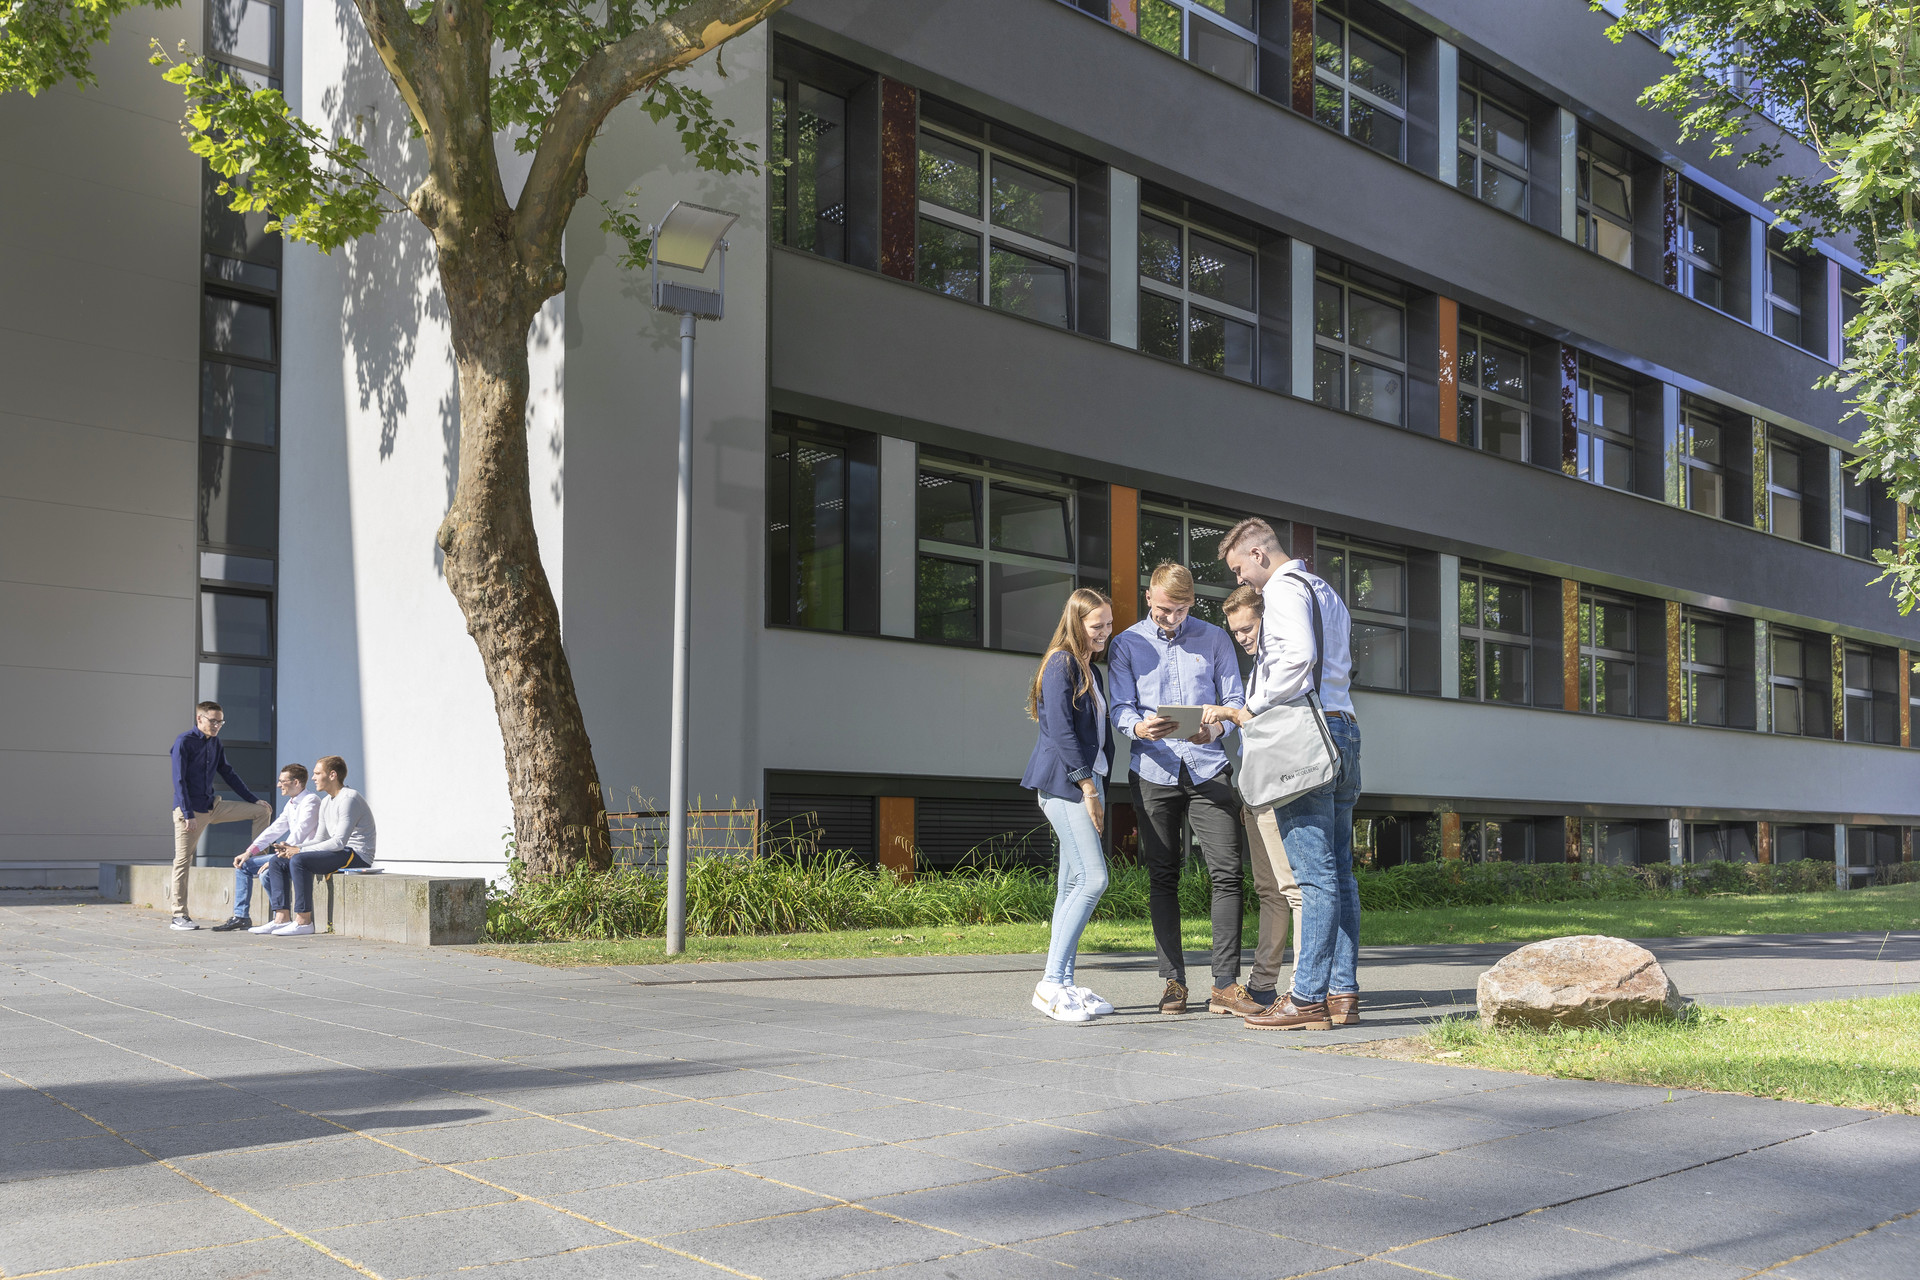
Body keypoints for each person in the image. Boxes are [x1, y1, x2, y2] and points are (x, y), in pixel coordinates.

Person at [1202, 519, 1361, 1031]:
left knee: (1313, 876)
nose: (1243, 580)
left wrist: (1250, 707)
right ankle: (1341, 993)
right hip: (1343, 726)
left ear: (1258, 553)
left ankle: (1307, 997)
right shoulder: (1324, 589)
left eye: (1240, 569)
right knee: (1338, 873)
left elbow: (1297, 659)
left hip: (1302, 734)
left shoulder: (1285, 590)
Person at [1108, 562, 1259, 1017]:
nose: (1167, 619)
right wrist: (1139, 726)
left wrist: (1213, 732)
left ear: (1191, 603)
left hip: (1208, 768)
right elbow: (1120, 706)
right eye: (1160, 610)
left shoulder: (1214, 638)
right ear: (1148, 597)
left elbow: (1235, 703)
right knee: (1162, 875)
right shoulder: (1126, 643)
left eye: (1177, 611)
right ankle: (1173, 981)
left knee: (1227, 873)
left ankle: (1225, 985)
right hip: (1153, 770)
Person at [1019, 588, 1116, 1023]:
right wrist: (1088, 788)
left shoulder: (1088, 669)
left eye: (1109, 624)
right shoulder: (1061, 662)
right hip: (1065, 786)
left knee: (1071, 885)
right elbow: (1060, 729)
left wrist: (1096, 784)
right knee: (1094, 879)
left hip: (1083, 783)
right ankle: (1050, 985)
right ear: (1076, 623)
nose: (1105, 632)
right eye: (1097, 626)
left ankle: (1064, 983)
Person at [1214, 585, 1305, 1009]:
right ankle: (1264, 983)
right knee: (1269, 889)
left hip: (1278, 786)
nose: (1242, 638)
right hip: (1253, 786)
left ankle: (1305, 988)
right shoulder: (1257, 667)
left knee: (1294, 889)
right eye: (1235, 632)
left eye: (1247, 628)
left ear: (1267, 618)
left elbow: (1272, 723)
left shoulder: (1284, 662)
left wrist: (1230, 713)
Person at [168, 701, 272, 931]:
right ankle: (178, 915)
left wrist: (253, 799)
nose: (216, 726)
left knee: (262, 810)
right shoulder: (184, 742)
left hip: (212, 806)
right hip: (189, 812)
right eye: (213, 721)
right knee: (183, 861)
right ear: (199, 719)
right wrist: (187, 814)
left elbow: (229, 774)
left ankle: (259, 863)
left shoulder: (215, 743)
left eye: (220, 722)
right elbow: (179, 781)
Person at [255, 755, 377, 937]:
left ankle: (304, 921)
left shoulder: (349, 798)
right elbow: (320, 838)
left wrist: (300, 850)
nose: (313, 778)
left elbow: (338, 842)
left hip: (357, 855)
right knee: (277, 861)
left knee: (299, 860)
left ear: (332, 775)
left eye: (317, 773)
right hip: (340, 852)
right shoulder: (327, 801)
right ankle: (281, 919)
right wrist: (291, 847)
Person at [209, 764, 321, 932]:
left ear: (296, 782)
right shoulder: (291, 804)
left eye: (282, 781)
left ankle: (282, 918)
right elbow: (274, 830)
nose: (278, 785)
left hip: (303, 855)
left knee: (266, 874)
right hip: (287, 854)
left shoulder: (311, 801)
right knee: (244, 865)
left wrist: (276, 857)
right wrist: (249, 852)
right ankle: (241, 917)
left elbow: (299, 833)